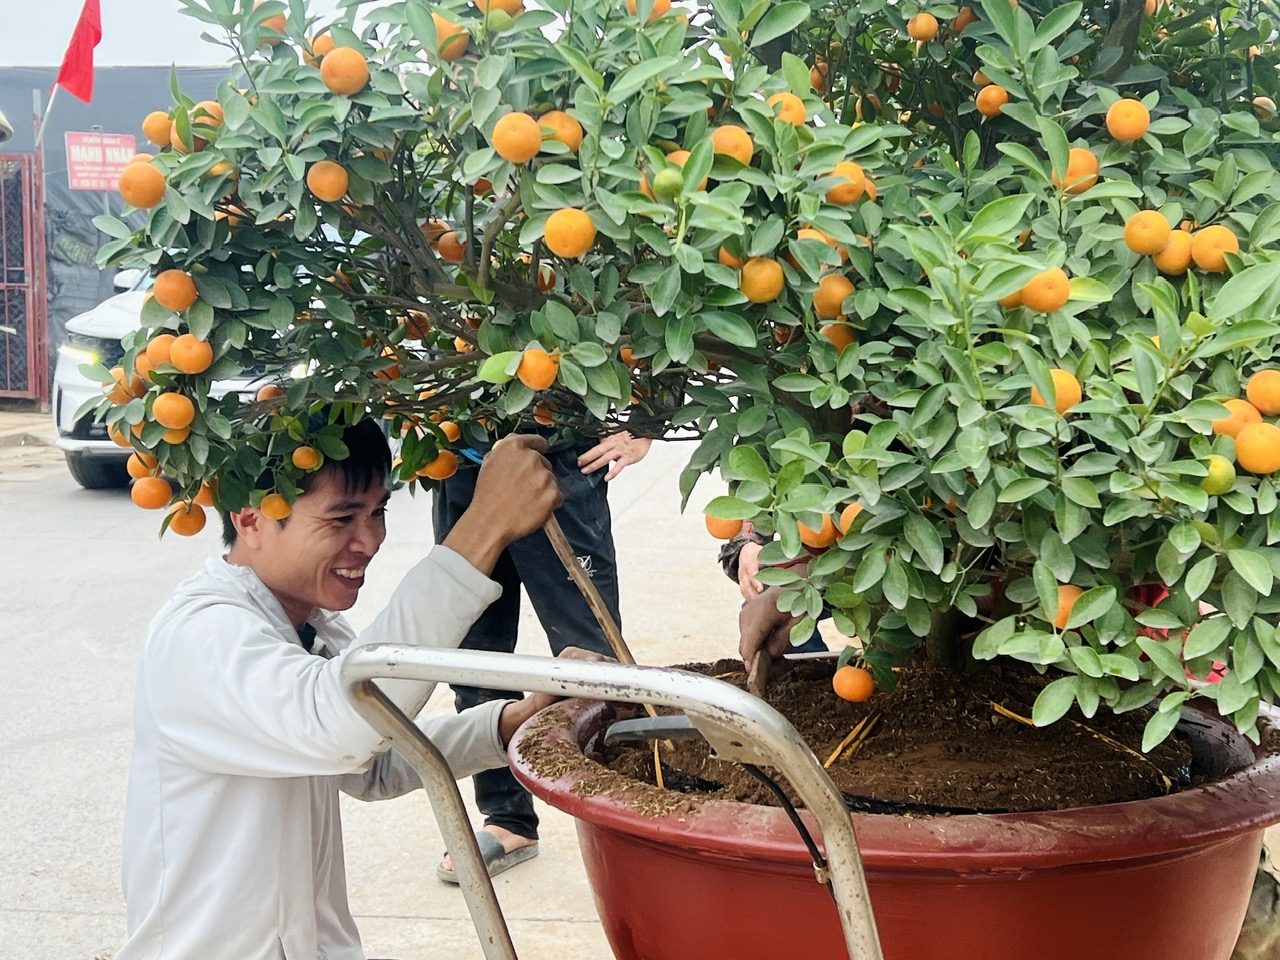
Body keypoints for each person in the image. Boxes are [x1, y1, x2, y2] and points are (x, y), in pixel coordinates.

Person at [116, 417, 596, 960]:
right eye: (342, 517)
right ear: (250, 518)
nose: (369, 541)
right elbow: (341, 731)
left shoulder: (310, 629)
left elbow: (371, 766)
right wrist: (481, 527)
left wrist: (515, 720)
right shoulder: (203, 635)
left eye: (378, 512)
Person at [433, 427, 652, 881]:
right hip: (462, 464)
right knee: (476, 657)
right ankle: (507, 820)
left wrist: (646, 427)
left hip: (557, 462)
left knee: (593, 669)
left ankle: (624, 820)